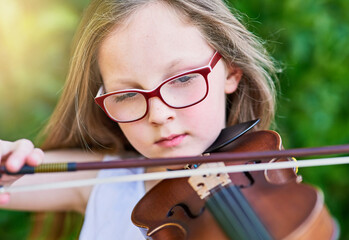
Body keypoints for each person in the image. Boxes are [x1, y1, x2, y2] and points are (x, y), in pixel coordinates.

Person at [0, 0, 278, 239]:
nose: (158, 114)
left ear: (231, 71)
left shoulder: (273, 187)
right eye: (125, 96)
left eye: (182, 79)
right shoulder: (106, 183)